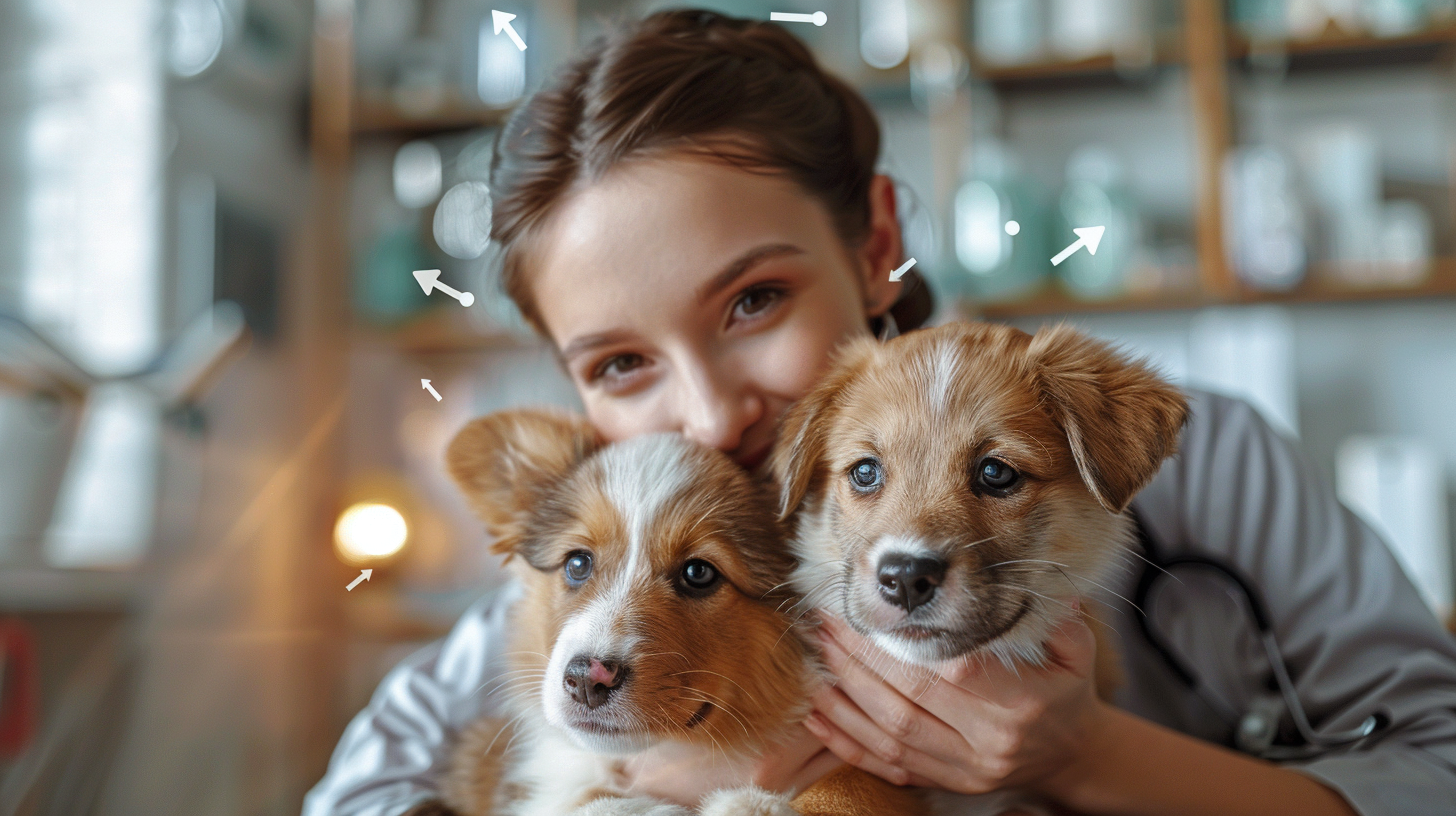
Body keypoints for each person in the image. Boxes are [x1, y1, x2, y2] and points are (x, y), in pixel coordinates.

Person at [304, 10, 1456, 816]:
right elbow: (363, 788)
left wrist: (1084, 757)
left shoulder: (1210, 460)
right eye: (618, 365)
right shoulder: (619, 549)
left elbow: (1437, 769)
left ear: (875, 242)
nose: (707, 416)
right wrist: (664, 771)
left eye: (753, 302)